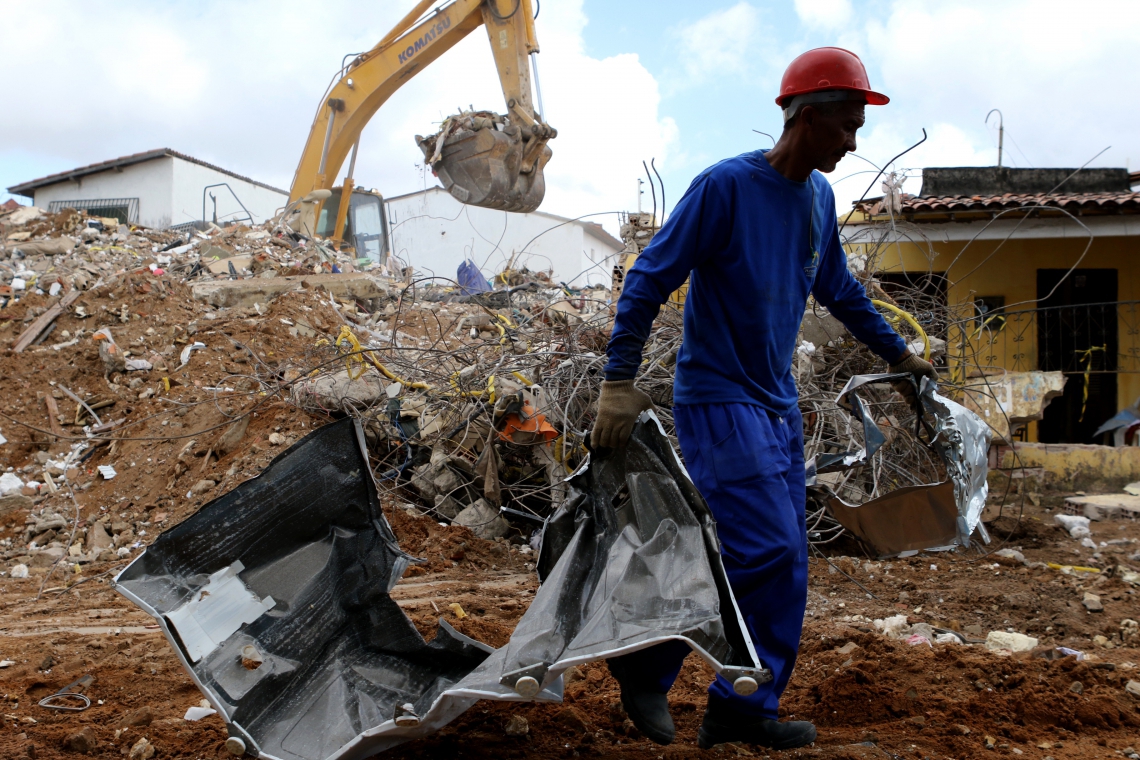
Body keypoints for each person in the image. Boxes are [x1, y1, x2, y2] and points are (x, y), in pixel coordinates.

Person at [591, 47, 936, 750]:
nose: (853, 140)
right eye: (844, 123)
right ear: (804, 117)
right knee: (766, 549)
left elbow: (838, 288)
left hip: (774, 405)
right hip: (718, 399)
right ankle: (646, 665)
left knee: (787, 560)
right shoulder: (724, 188)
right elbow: (648, 278)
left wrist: (897, 354)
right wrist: (618, 383)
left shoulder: (817, 199)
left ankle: (743, 708)